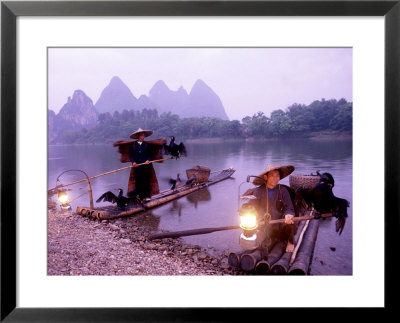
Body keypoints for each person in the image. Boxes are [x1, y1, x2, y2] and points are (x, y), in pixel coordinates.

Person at [251, 164, 297, 253]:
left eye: (277, 176)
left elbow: (289, 207)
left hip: (281, 224)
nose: (275, 178)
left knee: (290, 220)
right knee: (259, 245)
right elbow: (252, 206)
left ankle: (290, 242)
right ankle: (267, 237)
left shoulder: (283, 190)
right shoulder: (258, 191)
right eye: (272, 176)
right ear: (266, 177)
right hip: (265, 224)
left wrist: (288, 215)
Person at [128, 128, 155, 201]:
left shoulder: (147, 145)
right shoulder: (133, 145)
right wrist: (133, 162)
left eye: (144, 135)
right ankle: (141, 197)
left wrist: (148, 160)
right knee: (138, 182)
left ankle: (147, 196)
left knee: (146, 181)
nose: (143, 137)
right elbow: (131, 156)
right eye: (142, 135)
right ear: (138, 136)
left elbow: (150, 155)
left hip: (146, 167)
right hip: (137, 167)